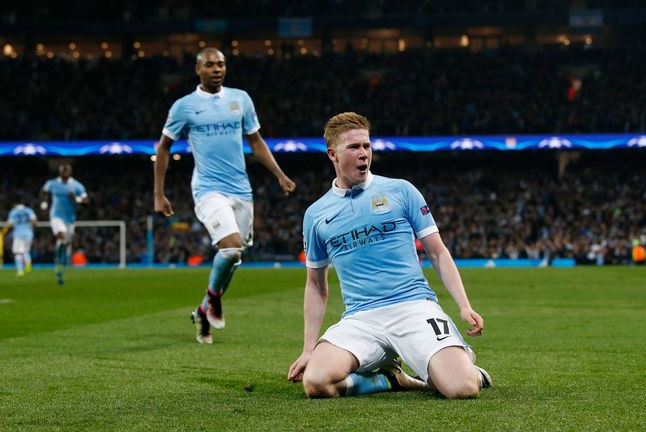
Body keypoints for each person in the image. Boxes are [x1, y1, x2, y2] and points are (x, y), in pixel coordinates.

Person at [288, 112, 491, 399]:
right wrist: (309, 348)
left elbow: (438, 252)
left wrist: (464, 305)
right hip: (361, 317)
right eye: (354, 147)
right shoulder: (316, 215)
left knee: (462, 388)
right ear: (333, 154)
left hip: (413, 307)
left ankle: (466, 369)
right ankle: (390, 380)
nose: (363, 154)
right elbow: (316, 285)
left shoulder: (401, 190)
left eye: (367, 146)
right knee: (316, 382)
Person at [154, 47, 296, 344]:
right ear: (198, 70)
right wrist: (159, 193)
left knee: (235, 257)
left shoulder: (240, 99)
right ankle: (214, 299)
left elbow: (255, 141)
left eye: (221, 64)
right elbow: (163, 147)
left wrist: (279, 174)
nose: (217, 69)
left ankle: (203, 310)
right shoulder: (184, 106)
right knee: (230, 248)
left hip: (241, 190)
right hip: (208, 189)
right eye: (210, 65)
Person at [39, 164, 88, 285]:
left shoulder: (77, 185)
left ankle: (61, 255)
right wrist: (44, 204)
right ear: (59, 172)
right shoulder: (52, 183)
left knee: (65, 241)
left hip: (70, 219)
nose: (65, 172)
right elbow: (43, 192)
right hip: (56, 216)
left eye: (67, 170)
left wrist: (76, 199)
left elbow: (86, 201)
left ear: (71, 172)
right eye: (63, 170)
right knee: (61, 234)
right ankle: (58, 258)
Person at [5, 203, 37, 276]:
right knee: (26, 251)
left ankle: (20, 271)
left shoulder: (13, 212)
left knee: (18, 253)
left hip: (18, 234)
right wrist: (31, 227)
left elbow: (9, 224)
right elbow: (34, 221)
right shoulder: (29, 210)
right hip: (29, 233)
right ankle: (28, 263)